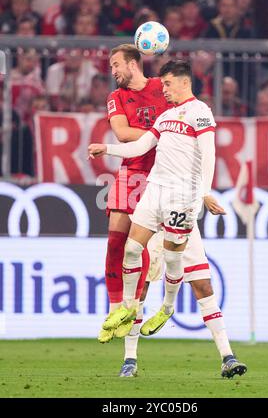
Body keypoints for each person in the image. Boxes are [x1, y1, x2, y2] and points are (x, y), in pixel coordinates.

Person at [89, 58, 247, 379]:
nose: (163, 90)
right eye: (161, 85)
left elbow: (210, 154)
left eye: (167, 85)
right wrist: (106, 148)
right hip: (155, 194)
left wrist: (204, 192)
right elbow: (140, 147)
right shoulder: (165, 115)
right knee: (137, 268)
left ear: (184, 82)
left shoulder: (200, 112)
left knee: (201, 284)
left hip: (182, 200)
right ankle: (129, 360)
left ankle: (226, 355)